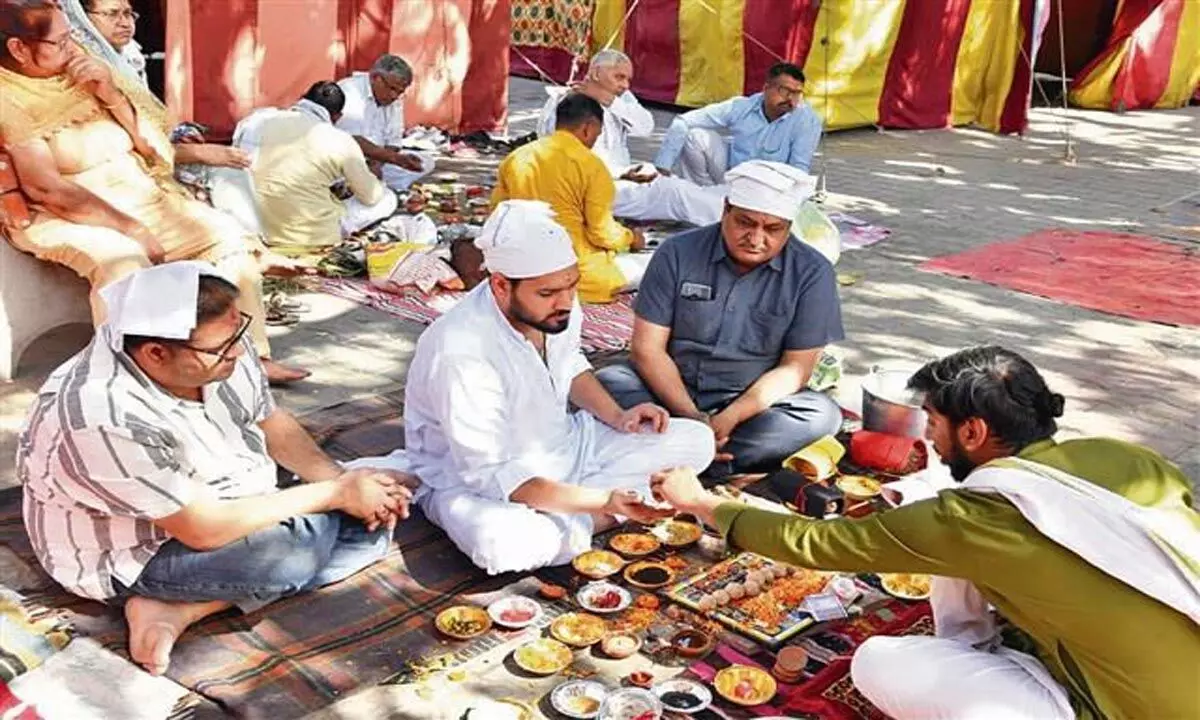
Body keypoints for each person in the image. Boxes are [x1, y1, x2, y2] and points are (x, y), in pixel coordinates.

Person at [651, 346, 1199, 720]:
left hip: (1118, 707)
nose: (930, 441)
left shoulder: (972, 517)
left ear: (975, 431)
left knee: (875, 663)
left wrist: (701, 503)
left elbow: (817, 544)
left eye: (933, 425)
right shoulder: (1128, 458)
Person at [16, 263, 420, 677]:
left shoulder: (217, 348)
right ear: (155, 353)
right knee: (294, 556)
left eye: (238, 334)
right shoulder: (101, 413)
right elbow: (202, 529)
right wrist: (337, 495)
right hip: (136, 550)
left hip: (230, 496)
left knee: (370, 525)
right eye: (222, 348)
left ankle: (186, 609)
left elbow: (271, 420)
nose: (240, 354)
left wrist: (340, 481)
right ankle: (155, 596)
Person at [399, 200, 716, 575]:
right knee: (504, 547)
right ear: (500, 285)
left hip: (566, 447)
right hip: (477, 481)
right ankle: (601, 513)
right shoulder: (460, 350)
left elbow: (570, 364)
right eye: (548, 293)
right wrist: (603, 501)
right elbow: (493, 475)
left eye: (571, 285)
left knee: (697, 440)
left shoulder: (559, 304)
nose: (565, 301)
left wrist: (619, 417)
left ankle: (585, 512)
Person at [0, 0, 308, 384]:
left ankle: (246, 358)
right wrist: (132, 228)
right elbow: (48, 189)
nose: (72, 46)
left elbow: (150, 145)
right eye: (60, 42)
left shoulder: (78, 69)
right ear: (17, 48)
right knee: (124, 262)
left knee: (228, 239)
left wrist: (109, 91)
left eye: (71, 37)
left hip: (137, 195)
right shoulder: (7, 99)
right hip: (65, 213)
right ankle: (131, 381)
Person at [597, 160, 842, 475]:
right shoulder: (677, 253)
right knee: (608, 383)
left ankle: (682, 454)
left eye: (772, 229)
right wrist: (692, 418)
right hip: (669, 392)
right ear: (725, 209)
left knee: (821, 416)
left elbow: (796, 369)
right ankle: (702, 455)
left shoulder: (812, 273)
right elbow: (647, 350)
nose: (755, 239)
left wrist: (731, 416)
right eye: (745, 223)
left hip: (750, 406)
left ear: (789, 228)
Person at [68, 0, 256, 191]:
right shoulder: (88, 72)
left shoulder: (129, 59)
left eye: (128, 14)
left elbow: (147, 122)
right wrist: (198, 153)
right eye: (112, 14)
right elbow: (125, 142)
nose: (125, 23)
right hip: (123, 174)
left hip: (160, 154)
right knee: (230, 178)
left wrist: (177, 135)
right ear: (83, 18)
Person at [536, 49, 726, 226]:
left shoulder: (620, 97)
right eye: (619, 77)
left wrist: (610, 101)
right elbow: (565, 164)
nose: (625, 85)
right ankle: (730, 219)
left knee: (680, 186)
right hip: (592, 189)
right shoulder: (565, 105)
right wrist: (622, 174)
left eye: (628, 79)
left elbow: (646, 126)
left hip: (624, 180)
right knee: (673, 192)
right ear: (595, 73)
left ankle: (734, 205)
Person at [493, 93, 649, 304]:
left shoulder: (516, 157)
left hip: (522, 270)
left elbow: (497, 214)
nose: (594, 141)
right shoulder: (591, 166)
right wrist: (632, 238)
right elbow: (602, 233)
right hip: (578, 276)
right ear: (588, 128)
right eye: (597, 134)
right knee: (658, 262)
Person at [236, 81, 397, 256]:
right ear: (337, 117)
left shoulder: (258, 120)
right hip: (314, 237)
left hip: (256, 227)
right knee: (387, 198)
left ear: (302, 99)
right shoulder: (341, 139)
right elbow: (371, 197)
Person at [654, 63, 822, 186]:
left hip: (772, 187)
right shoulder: (741, 107)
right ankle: (703, 193)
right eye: (785, 92)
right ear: (766, 88)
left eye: (797, 94)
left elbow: (799, 169)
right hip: (733, 177)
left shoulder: (807, 119)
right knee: (694, 136)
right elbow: (682, 122)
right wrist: (662, 168)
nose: (791, 100)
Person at [336, 54, 434, 191]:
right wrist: (390, 159)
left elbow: (393, 142)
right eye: (392, 89)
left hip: (380, 160)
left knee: (426, 161)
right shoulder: (350, 90)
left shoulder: (395, 100)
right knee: (343, 173)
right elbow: (352, 140)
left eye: (400, 92)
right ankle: (370, 186)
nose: (394, 96)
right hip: (349, 159)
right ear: (375, 78)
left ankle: (378, 185)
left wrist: (379, 163)